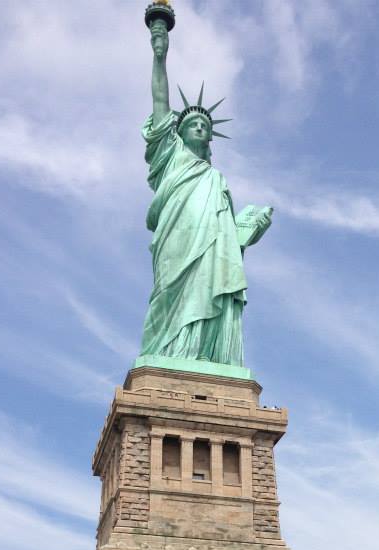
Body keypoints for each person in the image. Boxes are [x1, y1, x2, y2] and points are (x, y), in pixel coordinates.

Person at [139, 17, 272, 366]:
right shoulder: (170, 158)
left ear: (210, 137)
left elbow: (228, 244)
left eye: (204, 125)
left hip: (210, 253)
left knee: (210, 285)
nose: (198, 126)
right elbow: (159, 99)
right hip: (177, 243)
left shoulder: (217, 181)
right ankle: (170, 353)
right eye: (191, 124)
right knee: (169, 294)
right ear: (177, 133)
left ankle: (206, 356)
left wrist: (246, 232)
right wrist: (159, 55)